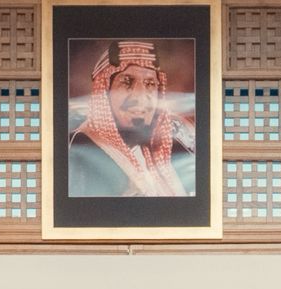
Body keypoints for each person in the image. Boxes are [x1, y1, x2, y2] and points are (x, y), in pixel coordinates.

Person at [67, 40, 196, 197]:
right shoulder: (81, 151)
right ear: (104, 93)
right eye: (126, 82)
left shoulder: (174, 143)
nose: (140, 97)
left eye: (150, 84)